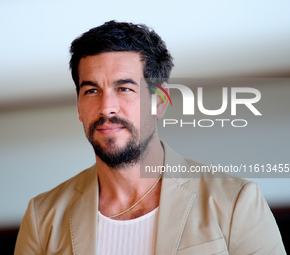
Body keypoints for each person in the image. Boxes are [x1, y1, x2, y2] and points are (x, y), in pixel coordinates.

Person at [14, 20, 285, 254]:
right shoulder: (43, 218)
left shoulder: (236, 201)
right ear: (78, 107)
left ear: (160, 101)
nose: (106, 107)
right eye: (91, 91)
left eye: (124, 88)